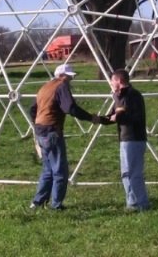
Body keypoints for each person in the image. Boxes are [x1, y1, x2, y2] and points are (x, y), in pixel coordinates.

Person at [29, 63, 106, 211]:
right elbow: (70, 108)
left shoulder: (45, 87)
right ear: (62, 76)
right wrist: (91, 118)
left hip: (40, 130)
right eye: (69, 77)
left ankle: (38, 202)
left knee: (47, 169)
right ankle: (56, 205)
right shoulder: (61, 86)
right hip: (52, 130)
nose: (70, 80)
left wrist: (38, 123)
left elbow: (32, 109)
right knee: (60, 170)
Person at [107, 69, 150, 211]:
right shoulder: (120, 96)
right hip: (125, 139)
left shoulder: (133, 96)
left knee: (134, 173)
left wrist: (117, 117)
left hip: (135, 139)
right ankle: (132, 202)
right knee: (126, 173)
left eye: (112, 80)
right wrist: (101, 119)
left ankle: (142, 204)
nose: (111, 83)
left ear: (119, 81)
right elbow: (115, 114)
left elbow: (133, 117)